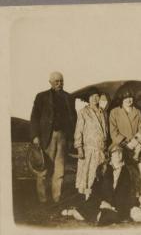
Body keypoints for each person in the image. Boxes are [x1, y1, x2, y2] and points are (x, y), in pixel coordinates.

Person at [30, 71, 77, 203]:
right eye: (56, 81)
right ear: (50, 82)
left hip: (63, 137)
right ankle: (43, 200)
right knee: (44, 169)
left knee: (60, 169)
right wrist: (35, 136)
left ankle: (57, 199)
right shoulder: (41, 97)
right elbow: (34, 117)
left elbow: (73, 118)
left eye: (61, 81)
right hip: (47, 137)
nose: (59, 84)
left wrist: (71, 138)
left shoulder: (69, 98)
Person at [61, 144, 132, 226]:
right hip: (101, 201)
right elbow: (95, 189)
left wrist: (112, 206)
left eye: (120, 153)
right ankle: (75, 211)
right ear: (110, 155)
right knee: (82, 214)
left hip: (117, 204)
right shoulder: (103, 168)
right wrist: (102, 202)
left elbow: (129, 192)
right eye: (115, 153)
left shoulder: (128, 170)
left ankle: (99, 214)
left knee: (115, 216)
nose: (118, 155)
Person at [109, 88, 141, 205]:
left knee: (136, 172)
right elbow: (113, 131)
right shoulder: (114, 112)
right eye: (126, 98)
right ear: (122, 100)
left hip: (135, 146)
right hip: (119, 146)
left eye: (130, 98)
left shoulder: (137, 112)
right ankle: (117, 199)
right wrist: (125, 143)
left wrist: (135, 140)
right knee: (119, 171)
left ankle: (136, 198)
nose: (129, 100)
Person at [74, 87, 108, 200]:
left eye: (97, 96)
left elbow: (105, 130)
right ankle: (86, 198)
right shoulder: (83, 112)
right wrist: (79, 148)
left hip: (101, 150)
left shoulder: (103, 112)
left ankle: (98, 198)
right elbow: (78, 131)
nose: (95, 98)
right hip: (88, 150)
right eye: (92, 96)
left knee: (99, 174)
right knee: (88, 174)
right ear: (88, 99)